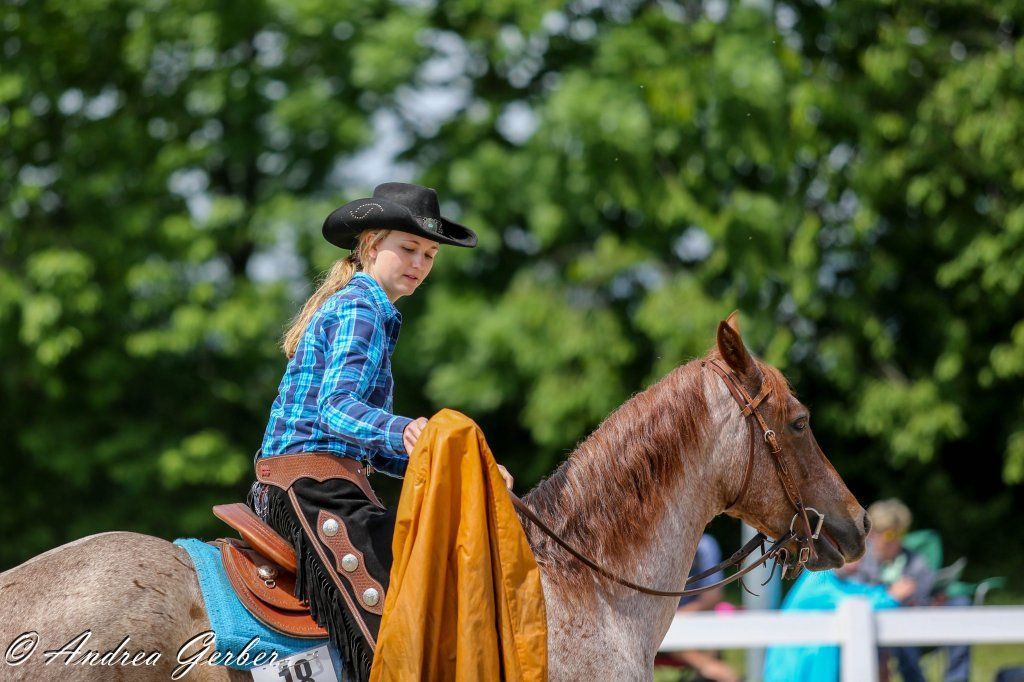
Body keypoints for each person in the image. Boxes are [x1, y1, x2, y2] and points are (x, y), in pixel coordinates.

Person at [246, 182, 513, 682]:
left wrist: (465, 467)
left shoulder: (368, 309)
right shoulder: (362, 308)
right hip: (308, 486)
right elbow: (334, 410)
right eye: (408, 248)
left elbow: (374, 448)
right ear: (371, 246)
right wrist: (407, 427)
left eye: (430, 255)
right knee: (397, 627)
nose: (420, 263)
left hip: (328, 482)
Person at [850, 499, 969, 682]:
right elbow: (854, 596)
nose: (896, 540)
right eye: (890, 535)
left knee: (960, 603)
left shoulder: (915, 560)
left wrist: (935, 601)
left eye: (901, 533)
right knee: (900, 623)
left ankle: (957, 679)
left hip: (919, 620)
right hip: (877, 627)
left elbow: (923, 595)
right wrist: (891, 595)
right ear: (873, 534)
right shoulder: (860, 561)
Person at [762, 562, 916, 682]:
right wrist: (891, 597)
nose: (860, 558)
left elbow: (860, 593)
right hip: (795, 672)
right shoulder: (818, 579)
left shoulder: (835, 581)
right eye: (851, 550)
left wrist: (889, 593)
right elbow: (854, 603)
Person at [657, 533, 739, 682]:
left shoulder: (705, 545)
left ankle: (708, 669)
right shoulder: (658, 542)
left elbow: (712, 597)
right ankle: (711, 669)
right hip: (669, 625)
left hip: (689, 621)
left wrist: (676, 617)